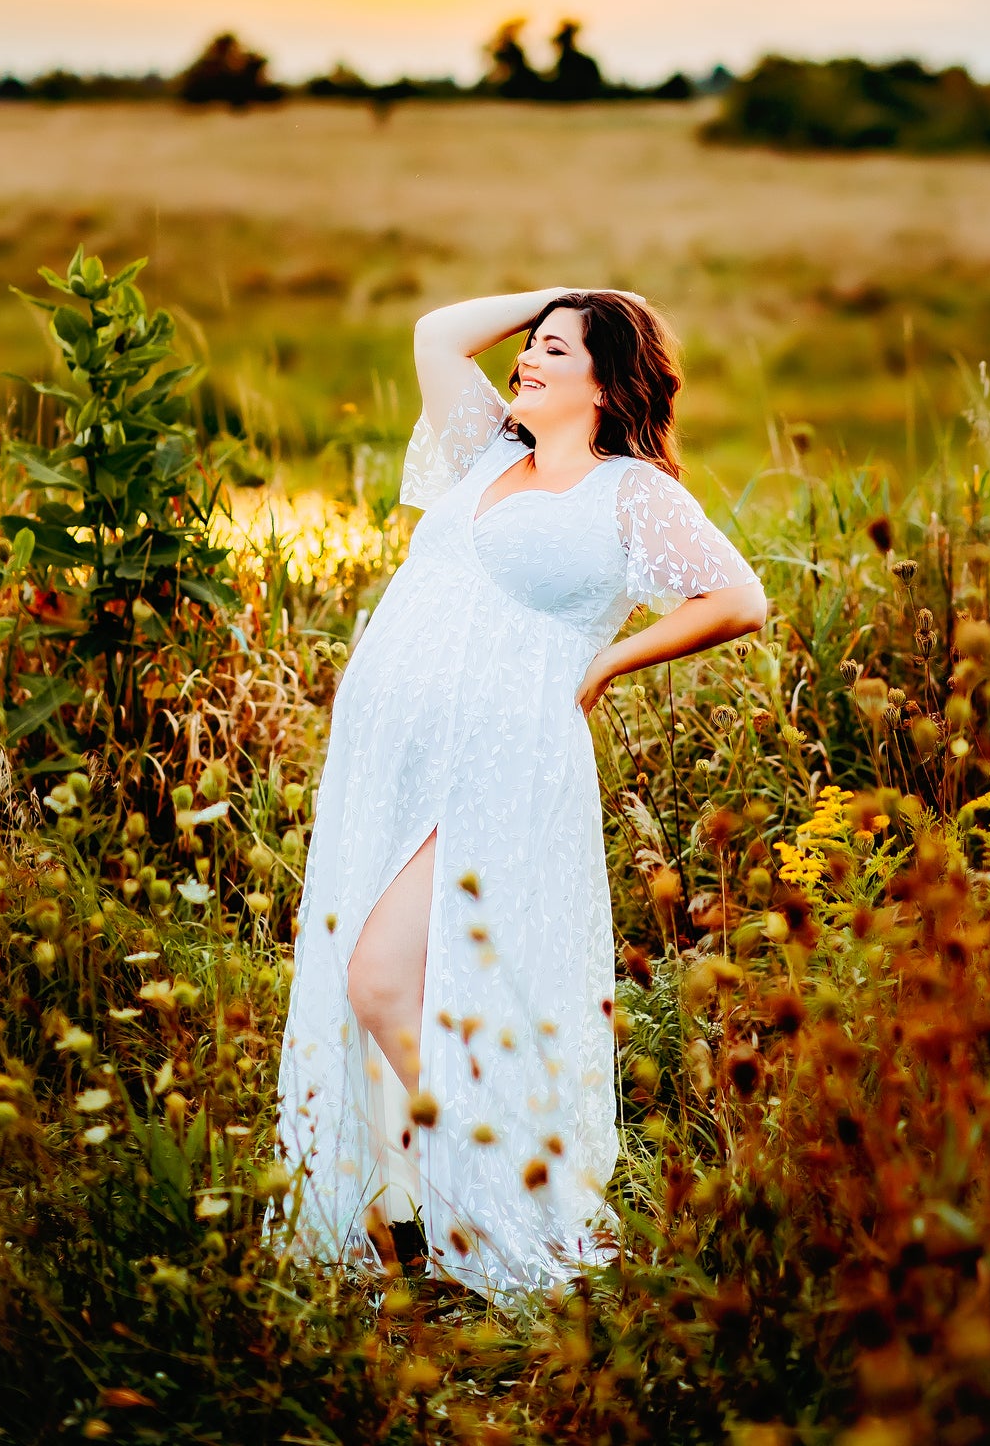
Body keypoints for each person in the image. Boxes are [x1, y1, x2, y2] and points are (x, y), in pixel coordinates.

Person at [270, 288, 767, 1295]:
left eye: (552, 350)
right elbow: (433, 332)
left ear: (603, 379)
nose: (525, 362)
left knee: (379, 976)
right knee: (400, 980)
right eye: (530, 347)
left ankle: (495, 1189)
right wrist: (561, 293)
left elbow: (737, 598)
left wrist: (605, 665)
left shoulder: (627, 492)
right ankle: (424, 1204)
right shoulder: (489, 454)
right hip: (396, 760)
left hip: (502, 760)